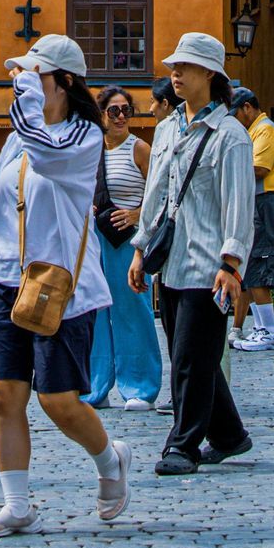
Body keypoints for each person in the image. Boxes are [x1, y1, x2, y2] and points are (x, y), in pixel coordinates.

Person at [0, 36, 129, 537]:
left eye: (36, 76)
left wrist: (26, 99)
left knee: (58, 400)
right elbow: (9, 208)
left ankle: (110, 459)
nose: (23, 84)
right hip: (5, 277)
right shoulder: (22, 136)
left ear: (65, 83)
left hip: (59, 284)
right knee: (5, 395)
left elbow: (49, 158)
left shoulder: (82, 138)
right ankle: (17, 505)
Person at [130, 34, 256, 476]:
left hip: (210, 266)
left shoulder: (231, 136)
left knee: (188, 358)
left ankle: (182, 445)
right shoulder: (166, 129)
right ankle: (230, 434)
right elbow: (157, 195)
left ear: (211, 75)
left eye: (185, 67)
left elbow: (239, 206)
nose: (175, 74)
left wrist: (231, 264)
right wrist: (141, 249)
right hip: (173, 262)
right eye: (174, 66)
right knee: (192, 354)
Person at [86, 86, 162, 409]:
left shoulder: (140, 149)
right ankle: (96, 386)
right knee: (96, 314)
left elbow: (160, 194)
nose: (120, 116)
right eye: (113, 111)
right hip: (97, 240)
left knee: (133, 313)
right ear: (102, 115)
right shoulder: (91, 150)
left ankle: (140, 387)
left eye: (126, 110)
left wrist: (135, 213)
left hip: (130, 241)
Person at [231, 85, 274, 352]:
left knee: (261, 261)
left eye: (237, 113)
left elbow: (260, 168)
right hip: (258, 201)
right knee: (253, 265)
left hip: (266, 201)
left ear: (247, 107)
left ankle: (271, 330)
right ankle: (261, 327)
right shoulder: (253, 130)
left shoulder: (265, 128)